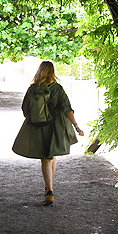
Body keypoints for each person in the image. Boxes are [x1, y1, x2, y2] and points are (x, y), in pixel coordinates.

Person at [12, 60, 84, 206]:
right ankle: (49, 190)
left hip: (39, 127)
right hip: (54, 127)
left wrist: (36, 118)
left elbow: (25, 109)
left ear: (39, 71)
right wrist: (76, 126)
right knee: (48, 156)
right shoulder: (57, 89)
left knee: (47, 157)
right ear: (52, 72)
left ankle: (48, 188)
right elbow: (67, 109)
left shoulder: (33, 89)